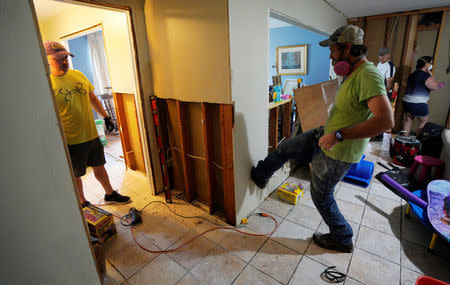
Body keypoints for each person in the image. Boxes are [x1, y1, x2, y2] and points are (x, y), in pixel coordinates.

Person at [250, 25, 394, 253]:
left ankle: (342, 237)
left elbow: (385, 121)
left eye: (333, 50)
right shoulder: (351, 74)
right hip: (323, 135)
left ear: (347, 47)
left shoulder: (368, 74)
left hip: (338, 150)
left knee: (321, 197)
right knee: (285, 148)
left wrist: (339, 135)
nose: (330, 55)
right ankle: (260, 175)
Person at [44, 41, 131, 207]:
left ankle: (110, 194)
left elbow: (92, 98)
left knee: (99, 167)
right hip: (71, 140)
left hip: (91, 134)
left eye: (65, 58)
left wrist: (106, 117)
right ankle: (82, 201)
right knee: (76, 175)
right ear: (47, 60)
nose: (64, 61)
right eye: (58, 59)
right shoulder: (48, 84)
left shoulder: (78, 74)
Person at [401, 56, 444, 136]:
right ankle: (418, 141)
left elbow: (425, 87)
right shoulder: (425, 75)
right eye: (431, 63)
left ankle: (404, 138)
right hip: (418, 104)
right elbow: (436, 86)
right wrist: (432, 76)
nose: (432, 65)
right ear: (426, 64)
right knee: (423, 121)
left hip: (406, 102)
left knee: (408, 120)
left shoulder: (413, 74)